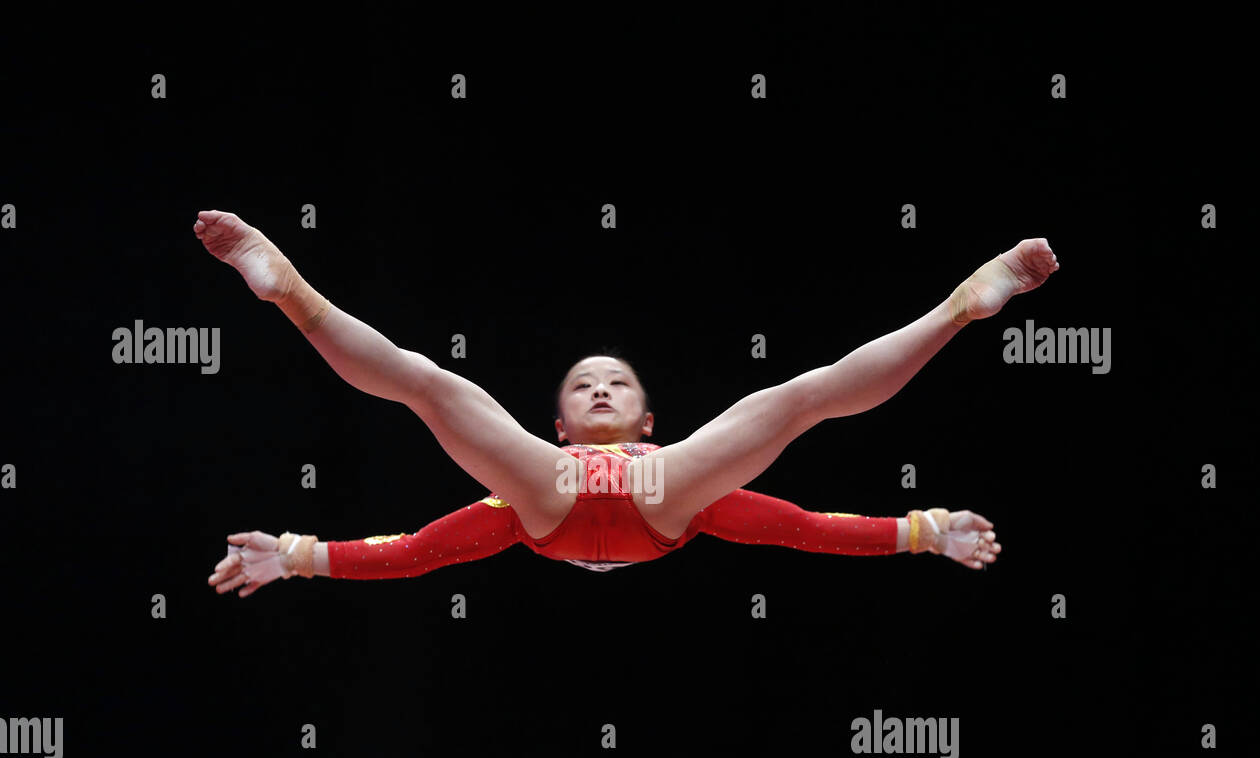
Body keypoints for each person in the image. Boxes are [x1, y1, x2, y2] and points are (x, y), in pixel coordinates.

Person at [196, 210, 1057, 598]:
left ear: (650, 420)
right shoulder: (531, 479)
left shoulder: (677, 473)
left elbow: (800, 525)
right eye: (582, 384)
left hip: (661, 494)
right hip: (555, 495)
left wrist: (923, 532)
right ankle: (291, 292)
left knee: (797, 397)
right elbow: (425, 551)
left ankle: (960, 307)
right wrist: (302, 557)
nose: (600, 386)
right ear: (559, 424)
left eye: (618, 382)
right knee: (433, 385)